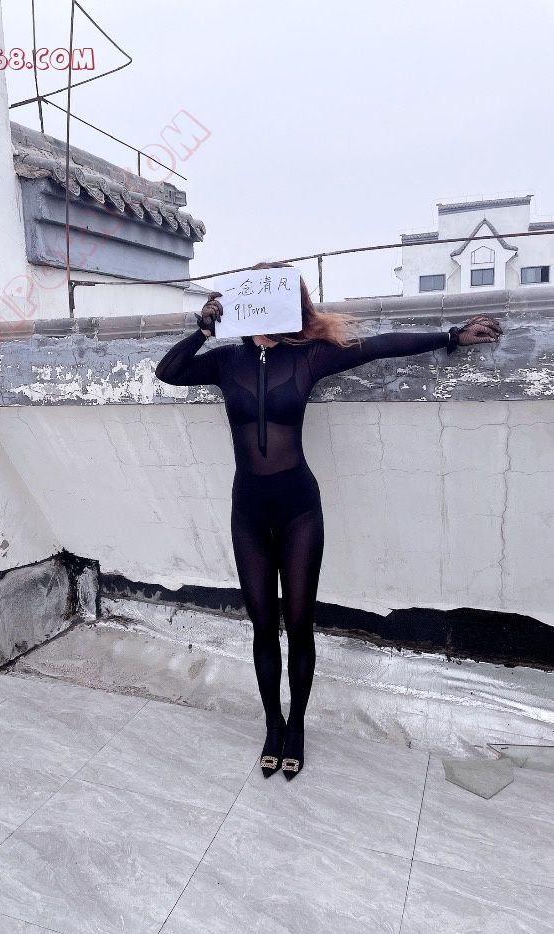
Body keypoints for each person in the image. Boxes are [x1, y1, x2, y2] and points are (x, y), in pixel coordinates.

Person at [155, 263, 503, 779]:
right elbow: (168, 371)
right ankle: (273, 724)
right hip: (248, 511)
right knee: (262, 626)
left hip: (299, 510)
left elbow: (382, 346)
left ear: (291, 306)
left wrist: (451, 335)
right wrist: (203, 332)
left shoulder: (309, 356)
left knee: (299, 626)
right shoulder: (226, 361)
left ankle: (296, 726)